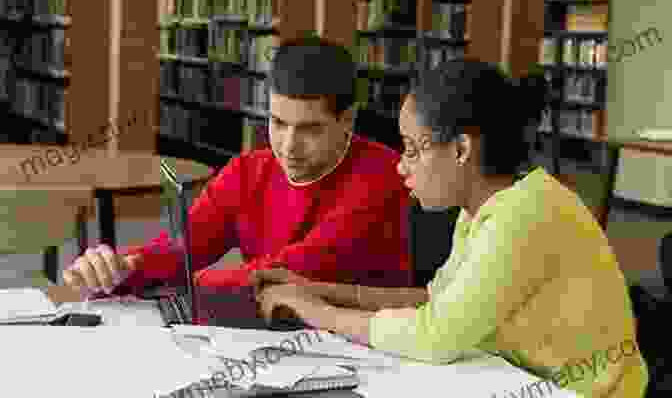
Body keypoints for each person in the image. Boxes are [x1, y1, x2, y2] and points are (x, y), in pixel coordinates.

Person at [252, 59, 649, 398]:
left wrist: (310, 309)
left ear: (460, 150)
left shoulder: (525, 215)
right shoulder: (485, 207)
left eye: (411, 149)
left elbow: (434, 335)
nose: (400, 166)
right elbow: (434, 301)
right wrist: (313, 288)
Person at [62, 37, 412, 298]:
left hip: (367, 352)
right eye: (278, 123)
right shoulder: (248, 171)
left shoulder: (385, 176)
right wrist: (124, 267)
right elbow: (185, 246)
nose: (288, 146)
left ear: (347, 119)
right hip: (271, 333)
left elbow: (293, 269)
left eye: (310, 129)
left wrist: (183, 285)